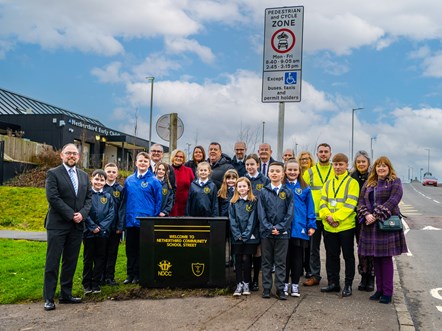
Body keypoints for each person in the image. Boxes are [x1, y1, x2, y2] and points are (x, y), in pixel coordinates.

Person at [43, 143, 92, 311]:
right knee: (53, 262)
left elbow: (89, 199)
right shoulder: (53, 174)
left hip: (77, 226)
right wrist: (71, 214)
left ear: (78, 157)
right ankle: (49, 298)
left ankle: (66, 294)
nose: (71, 156)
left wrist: (82, 214)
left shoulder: (84, 176)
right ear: (61, 156)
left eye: (74, 153)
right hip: (58, 225)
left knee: (70, 262)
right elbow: (53, 198)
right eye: (68, 153)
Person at [357, 156, 407, 304]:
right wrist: (366, 214)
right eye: (378, 166)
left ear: (389, 167)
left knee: (385, 259)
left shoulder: (395, 182)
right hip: (370, 226)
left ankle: (387, 292)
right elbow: (361, 201)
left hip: (386, 225)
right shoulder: (368, 183)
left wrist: (375, 215)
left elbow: (393, 200)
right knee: (375, 258)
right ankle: (379, 290)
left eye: (384, 166)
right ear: (375, 168)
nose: (381, 168)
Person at [319, 153, 359, 297]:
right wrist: (329, 218)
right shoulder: (328, 183)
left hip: (346, 227)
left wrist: (335, 218)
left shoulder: (352, 183)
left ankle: (348, 285)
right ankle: (333, 283)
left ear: (346, 165)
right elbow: (322, 202)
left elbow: (350, 204)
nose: (337, 167)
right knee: (331, 256)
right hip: (329, 227)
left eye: (340, 164)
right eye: (335, 164)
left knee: (348, 256)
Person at [122, 152, 162, 285]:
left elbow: (158, 201)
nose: (143, 163)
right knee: (130, 249)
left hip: (145, 222)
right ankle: (130, 274)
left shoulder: (154, 181)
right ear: (136, 163)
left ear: (149, 164)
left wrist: (153, 218)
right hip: (130, 220)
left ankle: (139, 274)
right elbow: (125, 200)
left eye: (145, 161)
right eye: (140, 161)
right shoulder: (129, 180)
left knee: (142, 249)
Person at [258, 162, 294, 300]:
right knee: (266, 262)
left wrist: (279, 228)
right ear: (268, 173)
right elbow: (261, 213)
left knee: (280, 262)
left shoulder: (288, 192)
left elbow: (290, 213)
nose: (274, 173)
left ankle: (280, 289)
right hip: (266, 233)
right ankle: (266, 288)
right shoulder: (263, 192)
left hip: (282, 234)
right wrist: (269, 227)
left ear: (282, 174)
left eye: (277, 171)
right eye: (272, 171)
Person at [303, 143, 334, 287]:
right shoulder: (309, 172)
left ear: (330, 154)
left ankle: (332, 278)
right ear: (317, 154)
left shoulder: (336, 170)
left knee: (331, 250)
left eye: (326, 152)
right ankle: (315, 275)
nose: (323, 154)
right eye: (321, 151)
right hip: (313, 217)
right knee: (313, 249)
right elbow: (303, 194)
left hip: (330, 217)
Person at [283, 159, 316, 297]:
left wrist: (311, 225)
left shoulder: (305, 188)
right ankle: (284, 284)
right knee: (284, 257)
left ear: (299, 171)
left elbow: (310, 208)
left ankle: (295, 284)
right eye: (289, 169)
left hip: (299, 227)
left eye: (295, 170)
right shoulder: (281, 186)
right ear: (285, 171)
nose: (292, 172)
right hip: (284, 228)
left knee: (297, 257)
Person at [83, 169, 115, 294]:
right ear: (92, 180)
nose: (99, 182)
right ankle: (87, 284)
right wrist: (92, 226)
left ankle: (96, 283)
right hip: (89, 233)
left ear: (105, 182)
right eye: (96, 179)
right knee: (88, 258)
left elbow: (111, 214)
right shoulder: (87, 195)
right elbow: (84, 211)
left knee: (100, 258)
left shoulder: (107, 196)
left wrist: (101, 227)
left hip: (102, 233)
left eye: (102, 180)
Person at [229, 177, 259, 296]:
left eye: (244, 186)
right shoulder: (233, 202)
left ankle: (246, 283)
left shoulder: (253, 201)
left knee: (247, 259)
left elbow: (253, 219)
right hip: (237, 237)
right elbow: (232, 219)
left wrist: (246, 234)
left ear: (248, 187)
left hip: (249, 236)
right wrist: (237, 234)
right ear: (236, 188)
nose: (242, 188)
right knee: (238, 260)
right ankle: (239, 284)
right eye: (239, 186)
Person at [244, 153, 270, 291]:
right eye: (247, 164)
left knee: (258, 252)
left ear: (258, 165)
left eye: (252, 164)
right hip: (246, 220)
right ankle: (246, 280)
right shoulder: (243, 179)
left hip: (259, 221)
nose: (250, 167)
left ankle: (255, 280)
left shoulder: (264, 180)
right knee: (247, 251)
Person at [350, 151, 374, 292]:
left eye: (363, 161)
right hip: (355, 218)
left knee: (370, 249)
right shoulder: (351, 176)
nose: (361, 164)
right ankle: (363, 276)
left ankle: (371, 278)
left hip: (369, 218)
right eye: (358, 162)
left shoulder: (373, 178)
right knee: (361, 249)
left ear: (368, 163)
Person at [102, 163, 124, 286]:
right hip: (101, 227)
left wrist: (120, 227)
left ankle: (110, 277)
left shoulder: (120, 189)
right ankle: (100, 276)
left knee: (112, 252)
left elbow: (122, 209)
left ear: (117, 174)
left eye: (113, 172)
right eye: (108, 171)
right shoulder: (100, 187)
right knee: (101, 253)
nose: (111, 174)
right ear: (105, 172)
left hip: (115, 227)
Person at [297, 150, 315, 277]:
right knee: (298, 245)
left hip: (310, 208)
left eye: (307, 158)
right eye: (302, 158)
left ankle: (308, 268)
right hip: (299, 212)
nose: (305, 160)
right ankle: (299, 267)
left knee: (309, 245)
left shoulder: (314, 173)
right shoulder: (296, 174)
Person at [218, 169, 239, 267]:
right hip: (224, 220)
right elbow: (218, 206)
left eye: (233, 178)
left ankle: (235, 261)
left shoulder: (239, 191)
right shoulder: (222, 191)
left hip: (235, 221)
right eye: (228, 178)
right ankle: (223, 260)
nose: (231, 180)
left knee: (235, 242)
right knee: (223, 241)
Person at [169, 149, 194, 216]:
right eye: (176, 156)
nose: (178, 158)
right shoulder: (167, 170)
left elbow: (193, 188)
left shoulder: (189, 171)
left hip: (185, 205)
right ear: (173, 157)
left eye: (181, 157)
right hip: (171, 205)